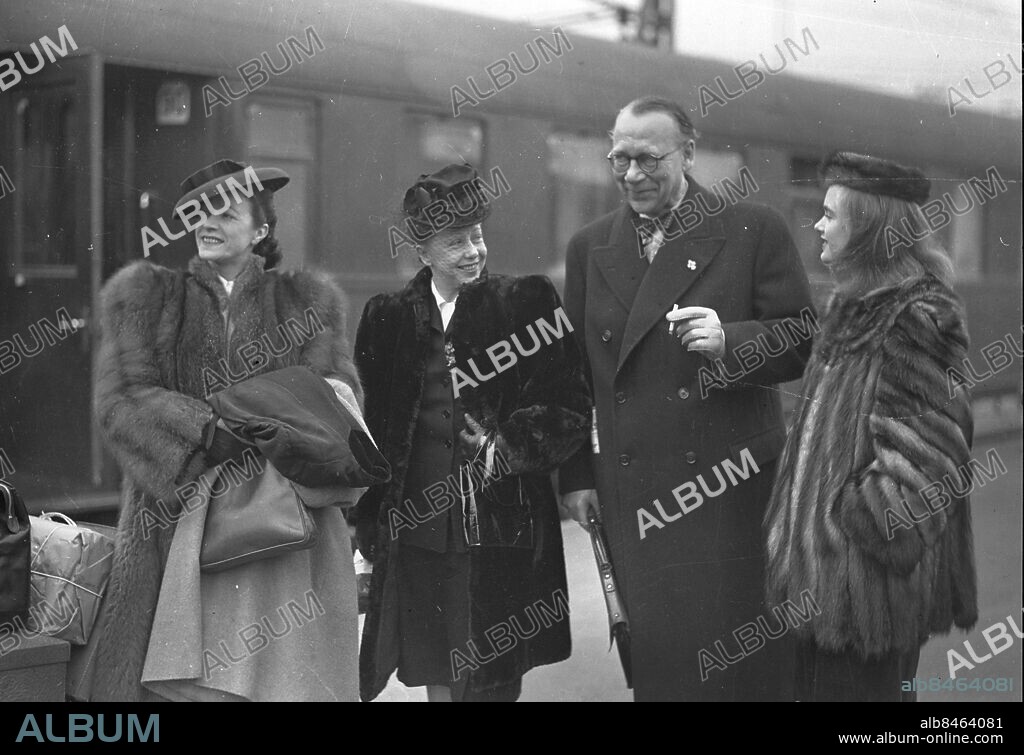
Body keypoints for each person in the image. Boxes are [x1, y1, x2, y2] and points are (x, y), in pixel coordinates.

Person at [560, 96, 816, 701]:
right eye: (619, 159)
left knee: (741, 676)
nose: (631, 175)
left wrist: (733, 341)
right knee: (665, 675)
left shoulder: (753, 229)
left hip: (730, 491)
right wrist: (575, 476)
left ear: (690, 154)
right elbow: (574, 378)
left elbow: (801, 339)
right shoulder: (590, 247)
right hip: (636, 497)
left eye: (648, 159)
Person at [91, 159, 365, 701]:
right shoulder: (148, 296)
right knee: (177, 678)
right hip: (174, 515)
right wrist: (205, 430)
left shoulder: (306, 302)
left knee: (277, 675)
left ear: (260, 231)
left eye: (226, 213)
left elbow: (336, 393)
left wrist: (277, 425)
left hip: (281, 515)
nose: (208, 224)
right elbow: (121, 399)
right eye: (201, 214)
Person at [354, 163, 591, 702]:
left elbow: (569, 404)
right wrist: (367, 523)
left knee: (492, 678)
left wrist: (502, 449)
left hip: (499, 525)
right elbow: (373, 429)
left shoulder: (527, 302)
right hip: (418, 527)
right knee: (434, 668)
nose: (472, 252)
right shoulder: (386, 317)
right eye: (455, 242)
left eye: (477, 237)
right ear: (422, 252)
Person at [764, 151, 978, 702]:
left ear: (869, 230)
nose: (818, 226)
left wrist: (844, 533)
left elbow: (927, 469)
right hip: (828, 598)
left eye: (830, 215)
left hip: (864, 604)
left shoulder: (914, 319)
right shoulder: (856, 306)